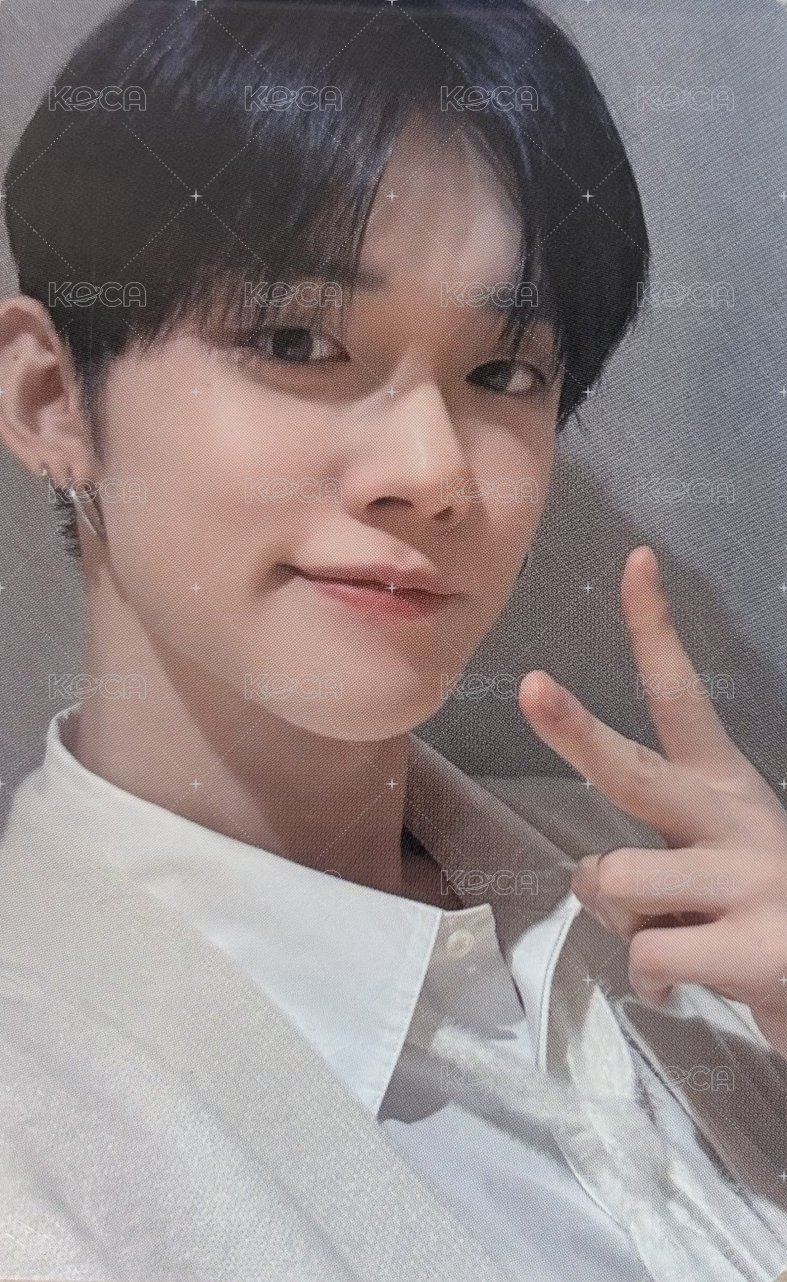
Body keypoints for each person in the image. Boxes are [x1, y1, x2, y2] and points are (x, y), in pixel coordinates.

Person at [0, 1, 785, 1279]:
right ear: (53, 400)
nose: (432, 474)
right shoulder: (40, 1143)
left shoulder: (679, 894)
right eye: (294, 340)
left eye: (505, 372)